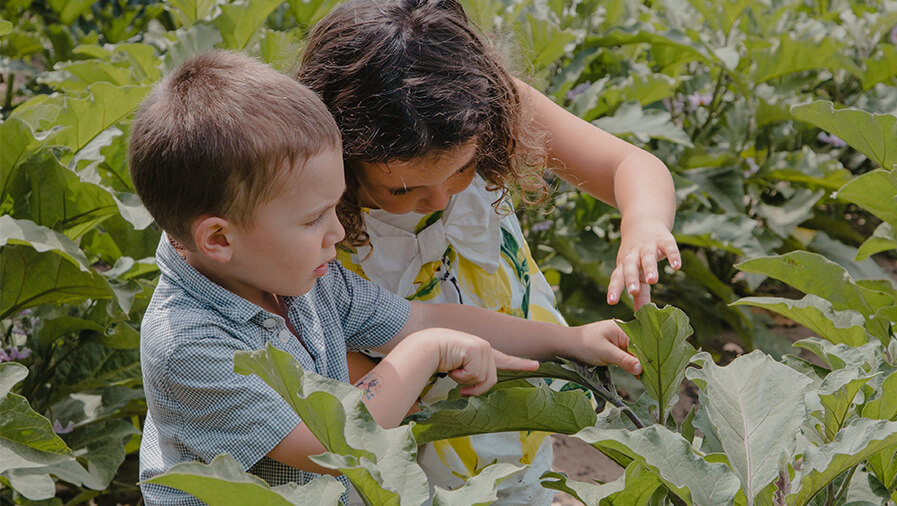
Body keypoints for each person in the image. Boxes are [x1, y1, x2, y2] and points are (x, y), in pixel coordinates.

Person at [130, 51, 643, 506]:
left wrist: (569, 340)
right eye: (312, 219)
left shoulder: (291, 274)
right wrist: (425, 353)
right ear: (218, 238)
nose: (337, 231)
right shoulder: (188, 344)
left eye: (335, 207)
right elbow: (330, 446)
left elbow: (422, 316)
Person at [296, 0, 681, 502]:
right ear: (341, 158)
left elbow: (627, 165)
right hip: (404, 438)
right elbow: (307, 340)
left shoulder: (486, 104)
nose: (437, 199)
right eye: (402, 191)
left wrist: (645, 224)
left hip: (516, 389)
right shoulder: (308, 203)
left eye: (462, 170)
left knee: (523, 480)